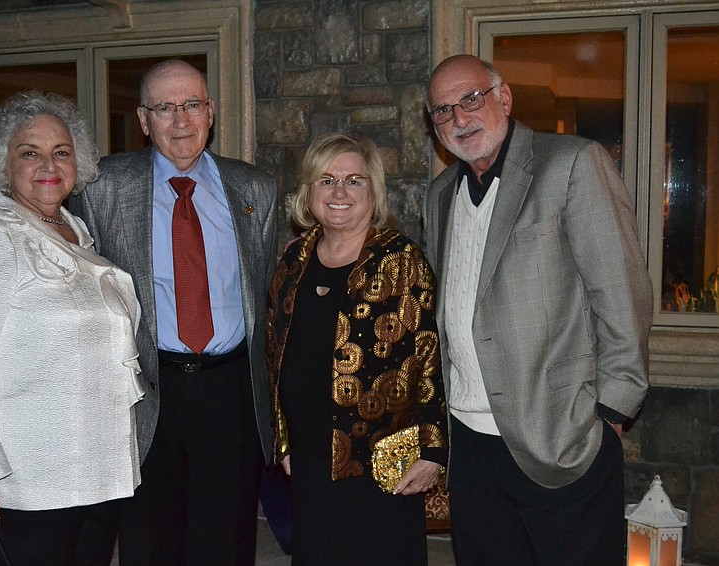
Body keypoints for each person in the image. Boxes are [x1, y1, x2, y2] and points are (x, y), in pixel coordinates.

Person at [423, 54, 653, 565]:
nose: (460, 119)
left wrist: (610, 411)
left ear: (503, 98)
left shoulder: (571, 164)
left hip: (561, 435)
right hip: (470, 443)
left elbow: (623, 292)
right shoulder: (439, 195)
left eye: (471, 99)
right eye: (442, 111)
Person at [69, 59, 278, 566]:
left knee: (226, 541)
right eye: (165, 108)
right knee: (150, 538)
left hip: (231, 392)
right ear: (144, 120)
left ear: (210, 112)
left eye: (191, 105)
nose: (180, 121)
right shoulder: (103, 188)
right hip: (146, 389)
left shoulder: (255, 190)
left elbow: (267, 290)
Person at [0, 91, 144, 566]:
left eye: (61, 152)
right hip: (21, 487)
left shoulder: (75, 233)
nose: (48, 164)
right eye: (30, 152)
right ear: (3, 165)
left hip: (88, 478)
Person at [266, 133, 448, 566]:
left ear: (373, 191)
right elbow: (275, 356)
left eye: (354, 180)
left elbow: (430, 359)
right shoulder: (293, 262)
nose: (340, 192)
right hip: (310, 456)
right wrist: (284, 440)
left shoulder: (401, 260)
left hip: (385, 460)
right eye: (326, 180)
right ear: (309, 192)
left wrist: (432, 450)